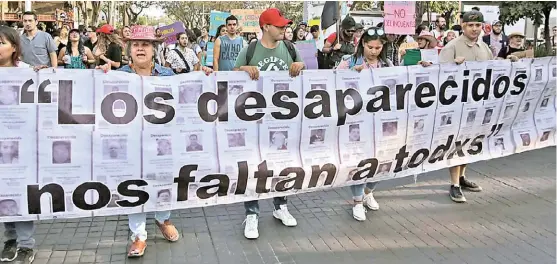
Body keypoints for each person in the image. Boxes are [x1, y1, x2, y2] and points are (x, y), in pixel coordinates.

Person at [97, 25, 180, 258]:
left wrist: (204, 76)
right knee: (134, 187)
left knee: (163, 182)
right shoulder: (117, 75)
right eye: (136, 45)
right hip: (131, 143)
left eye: (145, 44)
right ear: (129, 50)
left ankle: (163, 219)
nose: (140, 48)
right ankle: (139, 235)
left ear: (154, 50)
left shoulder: (168, 76)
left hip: (161, 143)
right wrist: (99, 75)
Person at [234, 8, 304, 239]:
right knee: (254, 165)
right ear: (265, 27)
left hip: (282, 119)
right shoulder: (250, 49)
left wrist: (299, 66)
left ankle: (280, 206)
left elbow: (303, 67)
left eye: (285, 26)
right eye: (279, 26)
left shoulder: (290, 48)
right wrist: (244, 69)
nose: (285, 29)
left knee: (282, 163)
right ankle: (252, 213)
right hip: (254, 120)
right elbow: (232, 75)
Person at [336, 27, 392, 221]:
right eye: (370, 47)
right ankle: (357, 201)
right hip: (356, 122)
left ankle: (369, 192)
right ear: (362, 45)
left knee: (382, 162)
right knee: (360, 163)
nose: (374, 51)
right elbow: (333, 83)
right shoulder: (348, 62)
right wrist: (350, 74)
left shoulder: (386, 64)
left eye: (378, 47)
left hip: (379, 122)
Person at [439, 10, 489, 203]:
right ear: (463, 25)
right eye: (470, 25)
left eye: (478, 25)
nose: (474, 29)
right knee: (456, 144)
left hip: (477, 105)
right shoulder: (452, 46)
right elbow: (440, 75)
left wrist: (511, 64)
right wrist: (453, 64)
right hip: (457, 106)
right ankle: (454, 185)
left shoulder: (484, 48)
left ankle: (462, 177)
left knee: (471, 142)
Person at [0, 25, 36, 264]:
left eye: (1, 42)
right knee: (3, 193)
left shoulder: (26, 72)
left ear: (14, 47)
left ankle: (26, 245)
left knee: (20, 193)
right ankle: (10, 239)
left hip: (20, 145)